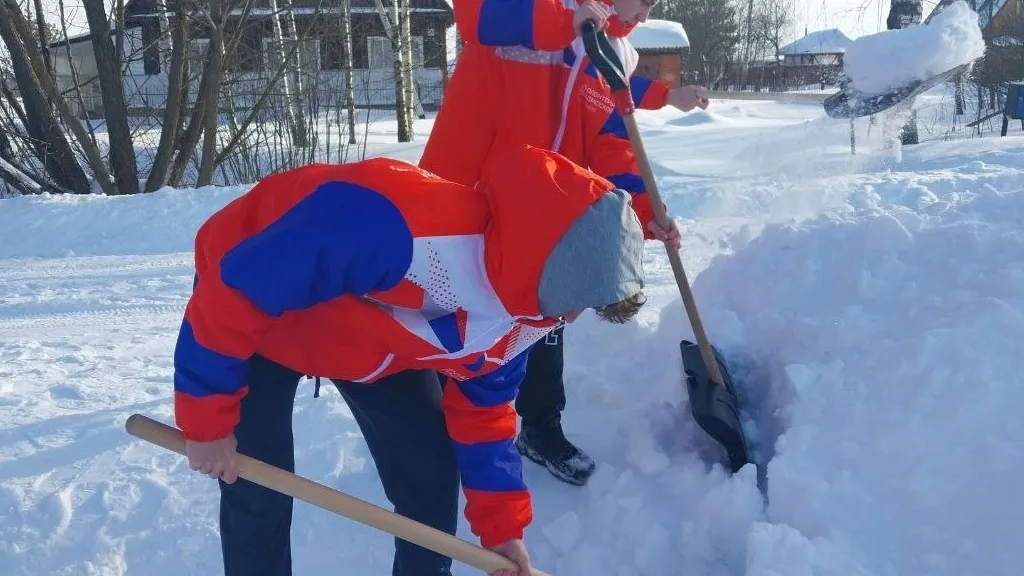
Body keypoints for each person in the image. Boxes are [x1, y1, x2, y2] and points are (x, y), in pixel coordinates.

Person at [172, 144, 650, 576]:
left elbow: (485, 413)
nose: (569, 317)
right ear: (551, 264)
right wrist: (207, 422)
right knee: (257, 488)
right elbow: (236, 291)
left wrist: (502, 529)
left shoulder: (528, 311)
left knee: (429, 477)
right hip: (253, 313)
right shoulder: (394, 222)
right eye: (578, 298)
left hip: (371, 343)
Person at [419, 0, 703, 487]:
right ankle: (443, 425)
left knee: (544, 318)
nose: (649, 6)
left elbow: (613, 146)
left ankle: (540, 428)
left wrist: (642, 213)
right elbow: (474, 14)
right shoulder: (550, 10)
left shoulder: (612, 53)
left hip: (539, 211)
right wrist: (561, 21)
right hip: (466, 194)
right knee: (455, 315)